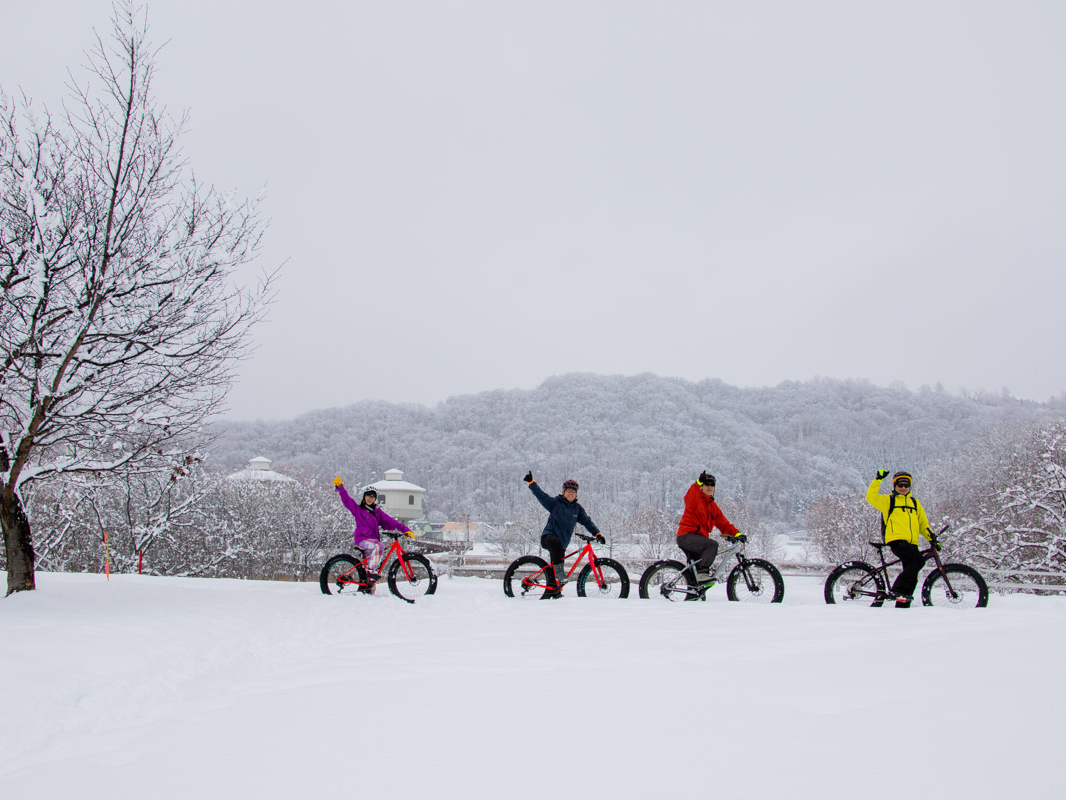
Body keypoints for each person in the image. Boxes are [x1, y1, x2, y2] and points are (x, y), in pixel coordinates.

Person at [524, 471, 604, 599]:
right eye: (568, 491)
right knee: (556, 551)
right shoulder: (556, 503)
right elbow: (541, 496)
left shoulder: (577, 509)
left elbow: (587, 522)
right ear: (563, 492)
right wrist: (531, 483)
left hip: (561, 545)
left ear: (576, 494)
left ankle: (555, 591)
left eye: (573, 491)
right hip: (548, 537)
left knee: (557, 562)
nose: (571, 493)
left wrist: (597, 534)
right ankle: (560, 577)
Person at [865, 469, 936, 608]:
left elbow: (923, 524)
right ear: (895, 486)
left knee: (912, 572)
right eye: (900, 485)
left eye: (906, 485)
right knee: (918, 561)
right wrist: (878, 480)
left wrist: (932, 539)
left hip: (912, 542)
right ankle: (897, 590)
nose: (903, 488)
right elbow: (871, 497)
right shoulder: (889, 501)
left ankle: (902, 604)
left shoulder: (914, 503)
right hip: (896, 540)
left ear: (910, 486)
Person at [334, 475, 412, 590]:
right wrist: (340, 487)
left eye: (373, 497)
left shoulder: (377, 512)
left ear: (375, 499)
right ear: (364, 497)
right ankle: (371, 571)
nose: (370, 499)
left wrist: (405, 529)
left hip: (373, 542)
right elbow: (347, 500)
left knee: (371, 584)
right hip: (362, 540)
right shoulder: (358, 510)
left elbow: (390, 521)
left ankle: (367, 587)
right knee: (378, 547)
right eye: (368, 496)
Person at [676, 471, 743, 585]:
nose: (709, 486)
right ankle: (702, 574)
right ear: (701, 487)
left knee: (696, 575)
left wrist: (737, 534)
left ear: (714, 488)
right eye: (706, 484)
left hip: (698, 540)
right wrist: (698, 482)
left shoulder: (712, 507)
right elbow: (690, 495)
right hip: (687, 535)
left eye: (712, 485)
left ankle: (695, 592)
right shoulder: (696, 499)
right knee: (712, 545)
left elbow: (723, 524)